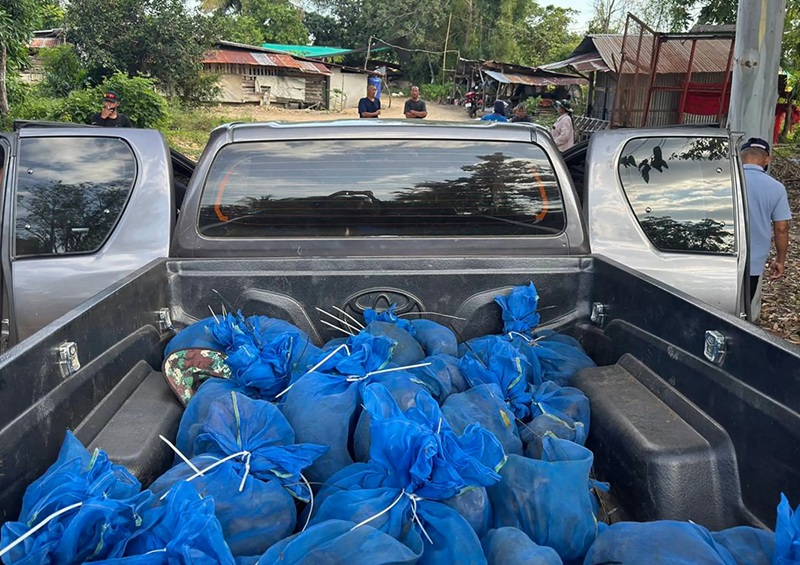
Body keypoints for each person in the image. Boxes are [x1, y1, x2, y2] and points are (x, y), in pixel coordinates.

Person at [741, 137, 792, 303]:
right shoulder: (776, 188)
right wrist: (780, 260)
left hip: (719, 257)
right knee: (742, 309)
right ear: (767, 159)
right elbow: (781, 229)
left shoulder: (725, 182)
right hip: (752, 261)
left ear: (741, 156)